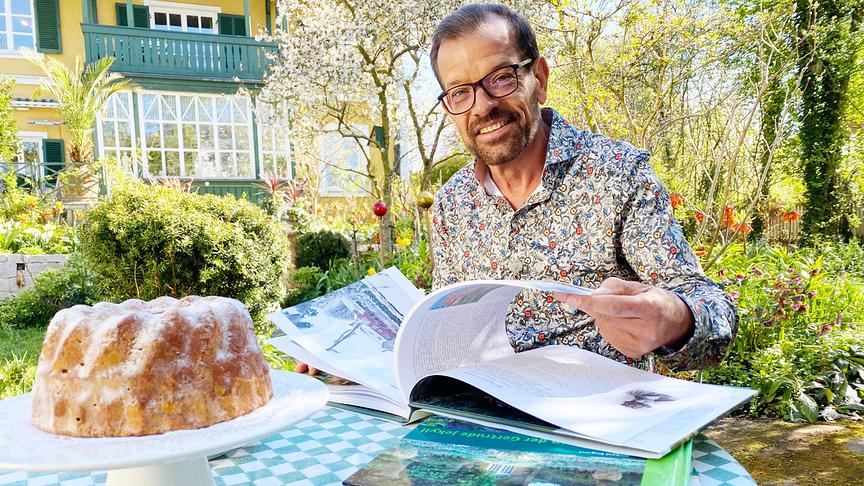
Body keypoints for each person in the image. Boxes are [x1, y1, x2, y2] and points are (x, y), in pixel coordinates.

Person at [427, 3, 737, 371]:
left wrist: (676, 319)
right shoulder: (452, 203)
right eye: (460, 92)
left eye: (501, 77)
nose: (483, 106)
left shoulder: (620, 174)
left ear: (539, 79)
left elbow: (713, 311)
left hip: (597, 419)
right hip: (483, 414)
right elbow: (443, 322)